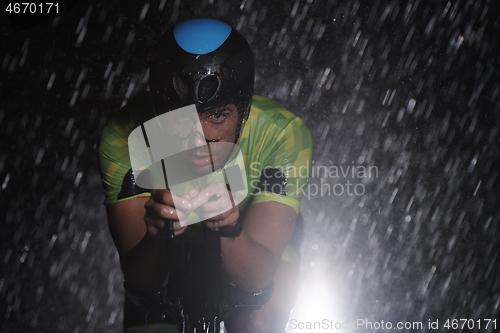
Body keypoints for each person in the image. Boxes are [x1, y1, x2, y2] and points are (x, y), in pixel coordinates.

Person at [98, 18, 313, 333]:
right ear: (160, 111)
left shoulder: (284, 135)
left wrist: (230, 233)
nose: (198, 138)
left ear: (243, 111)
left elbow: (257, 279)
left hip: (255, 242)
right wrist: (157, 236)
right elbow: (143, 282)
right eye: (179, 118)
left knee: (257, 324)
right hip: (174, 250)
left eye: (217, 115)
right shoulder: (123, 136)